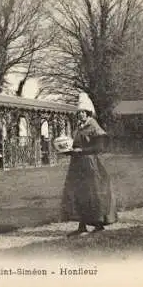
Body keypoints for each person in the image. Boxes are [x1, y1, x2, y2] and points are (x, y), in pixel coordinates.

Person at [60, 92, 117, 237]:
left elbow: (100, 147)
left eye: (82, 113)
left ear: (88, 113)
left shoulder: (93, 126)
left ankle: (98, 224)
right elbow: (76, 147)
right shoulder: (79, 127)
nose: (80, 115)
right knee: (78, 193)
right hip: (78, 165)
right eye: (78, 113)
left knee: (92, 192)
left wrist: (82, 151)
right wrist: (69, 151)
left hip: (90, 164)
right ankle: (82, 226)